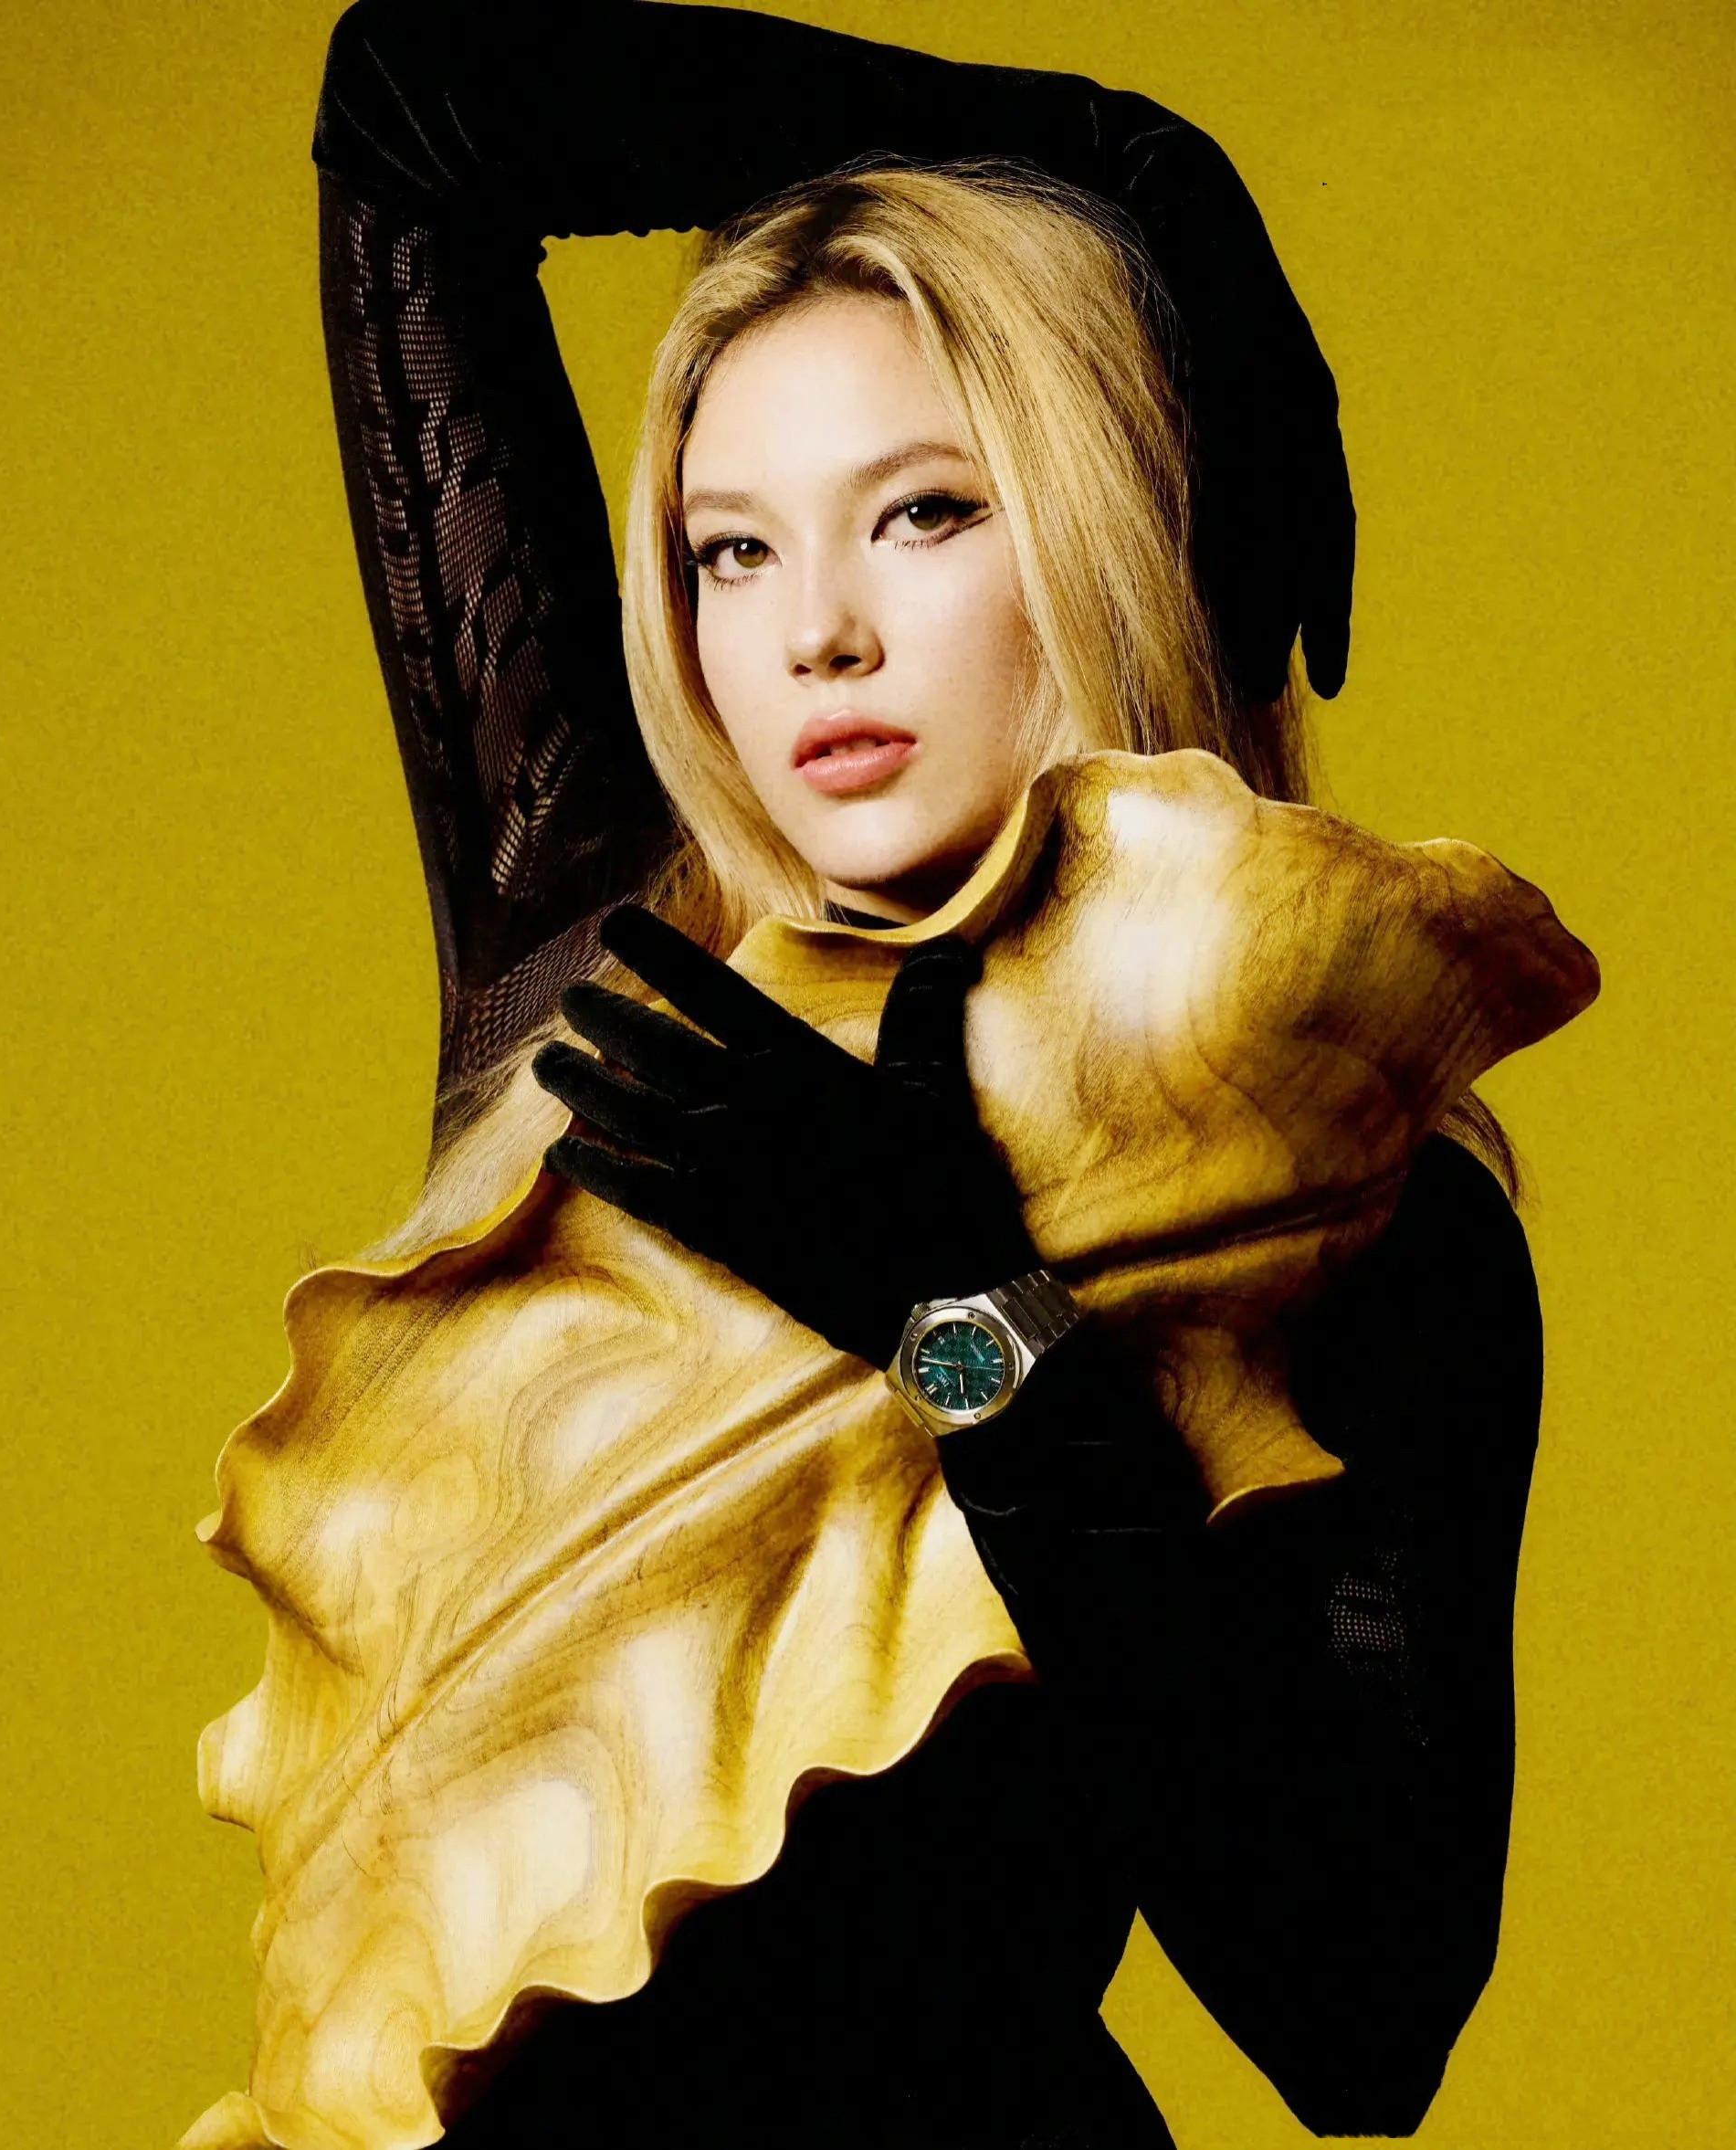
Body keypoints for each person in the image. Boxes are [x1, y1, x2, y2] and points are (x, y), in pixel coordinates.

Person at [305, 5, 1543, 2145]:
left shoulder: (1348, 1204)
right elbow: (413, 110)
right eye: (733, 547)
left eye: (923, 513)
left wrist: (968, 1322)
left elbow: (1364, 2025)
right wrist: (1116, 161)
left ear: (1093, 527)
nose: (818, 633)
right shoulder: (601, 960)